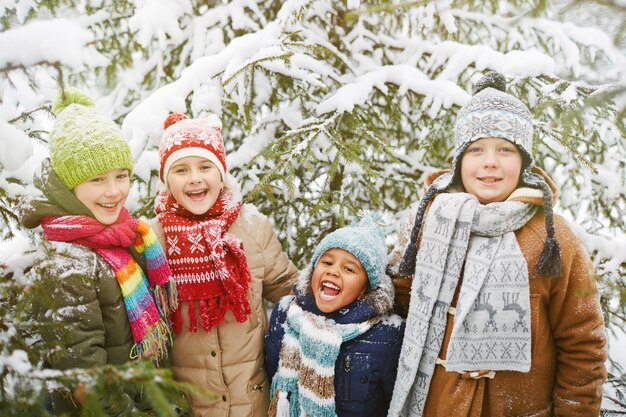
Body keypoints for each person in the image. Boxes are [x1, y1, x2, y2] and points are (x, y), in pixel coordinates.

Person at [387, 71, 607, 417]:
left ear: (524, 162)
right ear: (459, 161)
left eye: (505, 149)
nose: (490, 161)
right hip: (435, 407)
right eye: (476, 149)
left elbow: (583, 345)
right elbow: (396, 306)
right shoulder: (429, 223)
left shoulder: (553, 238)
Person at [21, 89, 178, 416]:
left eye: (121, 176)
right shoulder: (66, 262)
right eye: (97, 179)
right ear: (68, 186)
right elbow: (86, 378)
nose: (114, 191)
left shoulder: (122, 237)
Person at [151, 113, 299, 417]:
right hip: (188, 404)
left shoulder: (252, 229)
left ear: (221, 173)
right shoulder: (153, 241)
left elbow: (292, 290)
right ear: (166, 180)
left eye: (205, 166)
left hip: (251, 401)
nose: (195, 178)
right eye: (181, 169)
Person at [265, 214, 405, 417]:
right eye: (327, 262)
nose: (334, 272)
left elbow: (394, 403)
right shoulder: (285, 314)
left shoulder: (387, 335)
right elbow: (271, 371)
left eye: (349, 269)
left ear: (364, 289)